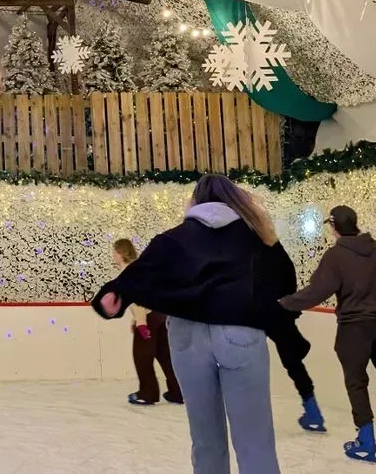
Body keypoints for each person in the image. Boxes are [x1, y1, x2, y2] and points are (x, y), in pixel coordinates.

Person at [91, 175, 285, 474]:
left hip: (187, 337)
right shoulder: (256, 237)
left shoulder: (172, 239)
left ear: (194, 201)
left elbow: (137, 276)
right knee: (254, 440)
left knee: (205, 439)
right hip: (241, 334)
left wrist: (114, 295)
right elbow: (282, 283)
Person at [280, 205, 376, 465]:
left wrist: (284, 303)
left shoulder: (335, 256)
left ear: (334, 227)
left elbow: (317, 292)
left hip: (354, 328)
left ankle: (366, 442)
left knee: (356, 382)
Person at [260, 239, 325, 434]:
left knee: (248, 361)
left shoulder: (246, 248)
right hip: (279, 312)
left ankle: (251, 413)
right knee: (293, 362)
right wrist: (289, 308)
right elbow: (290, 277)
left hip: (257, 313)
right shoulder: (277, 250)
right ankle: (312, 410)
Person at [110, 239, 183, 406]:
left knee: (142, 357)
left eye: (114, 252)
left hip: (148, 319)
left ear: (120, 254)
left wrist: (141, 323)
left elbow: (138, 300)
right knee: (165, 356)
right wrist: (135, 319)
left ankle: (147, 394)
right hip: (159, 315)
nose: (113, 255)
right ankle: (178, 392)